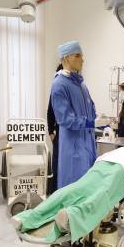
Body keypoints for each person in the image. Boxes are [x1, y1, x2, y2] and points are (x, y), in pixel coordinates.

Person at [51, 40, 103, 189]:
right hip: (73, 149)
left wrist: (99, 120)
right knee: (73, 189)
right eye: (78, 55)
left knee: (88, 187)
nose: (82, 59)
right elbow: (65, 119)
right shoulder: (59, 85)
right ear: (66, 58)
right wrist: (89, 123)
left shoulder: (81, 85)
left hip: (88, 145)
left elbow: (91, 109)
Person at [46, 63, 63, 195]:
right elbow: (50, 112)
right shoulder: (56, 89)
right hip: (59, 132)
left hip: (70, 134)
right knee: (57, 164)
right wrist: (51, 132)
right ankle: (53, 193)